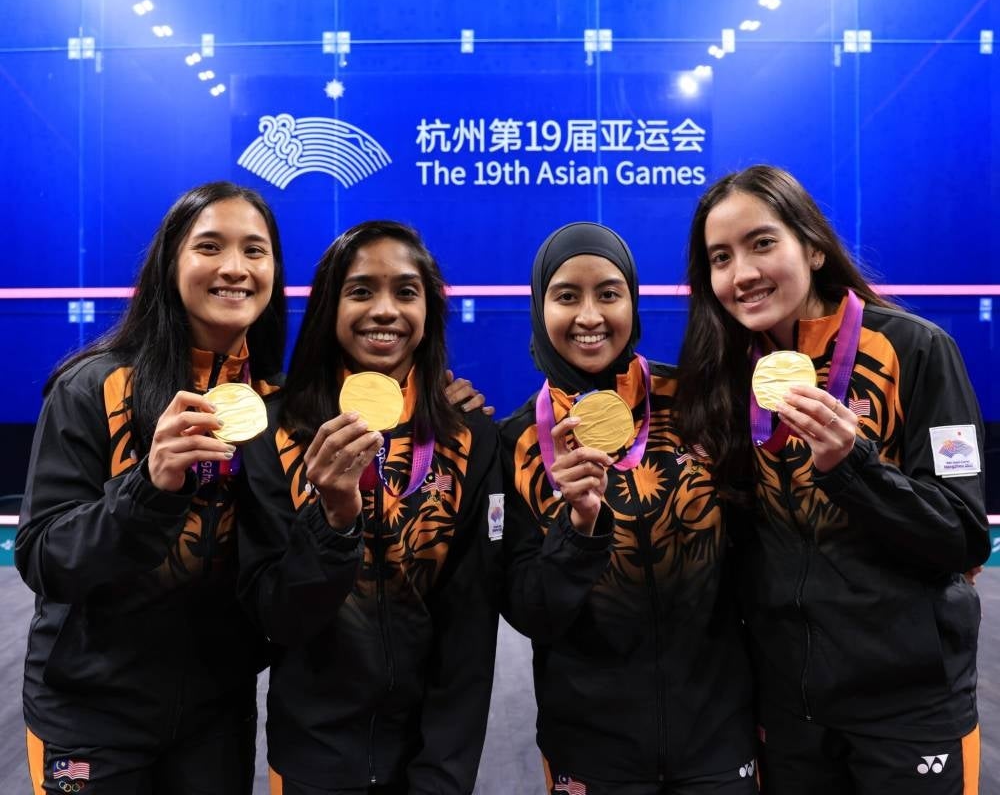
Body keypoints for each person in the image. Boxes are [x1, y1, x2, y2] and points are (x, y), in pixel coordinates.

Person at [676, 164, 990, 794]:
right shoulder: (730, 376)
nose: (742, 274)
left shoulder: (917, 350)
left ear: (813, 247)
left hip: (908, 709)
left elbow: (962, 535)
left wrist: (853, 468)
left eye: (762, 243)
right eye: (720, 257)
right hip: (791, 712)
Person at [16, 181, 286, 794]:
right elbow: (42, 556)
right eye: (209, 247)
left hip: (215, 717)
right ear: (171, 265)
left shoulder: (278, 406)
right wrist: (151, 487)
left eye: (256, 250)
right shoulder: (94, 387)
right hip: (90, 714)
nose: (235, 268)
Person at [238, 220, 502, 795]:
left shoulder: (470, 438)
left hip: (430, 760)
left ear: (428, 309)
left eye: (406, 291)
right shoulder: (273, 431)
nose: (385, 310)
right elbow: (274, 617)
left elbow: (469, 631)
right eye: (361, 291)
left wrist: (445, 772)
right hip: (314, 760)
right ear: (329, 307)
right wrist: (331, 522)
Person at [500, 222, 757, 795]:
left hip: (718, 737)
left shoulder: (697, 404)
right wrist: (578, 528)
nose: (590, 316)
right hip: (590, 750)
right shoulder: (514, 442)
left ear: (633, 303)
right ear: (540, 308)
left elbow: (755, 553)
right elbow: (528, 610)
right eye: (567, 295)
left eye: (609, 293)